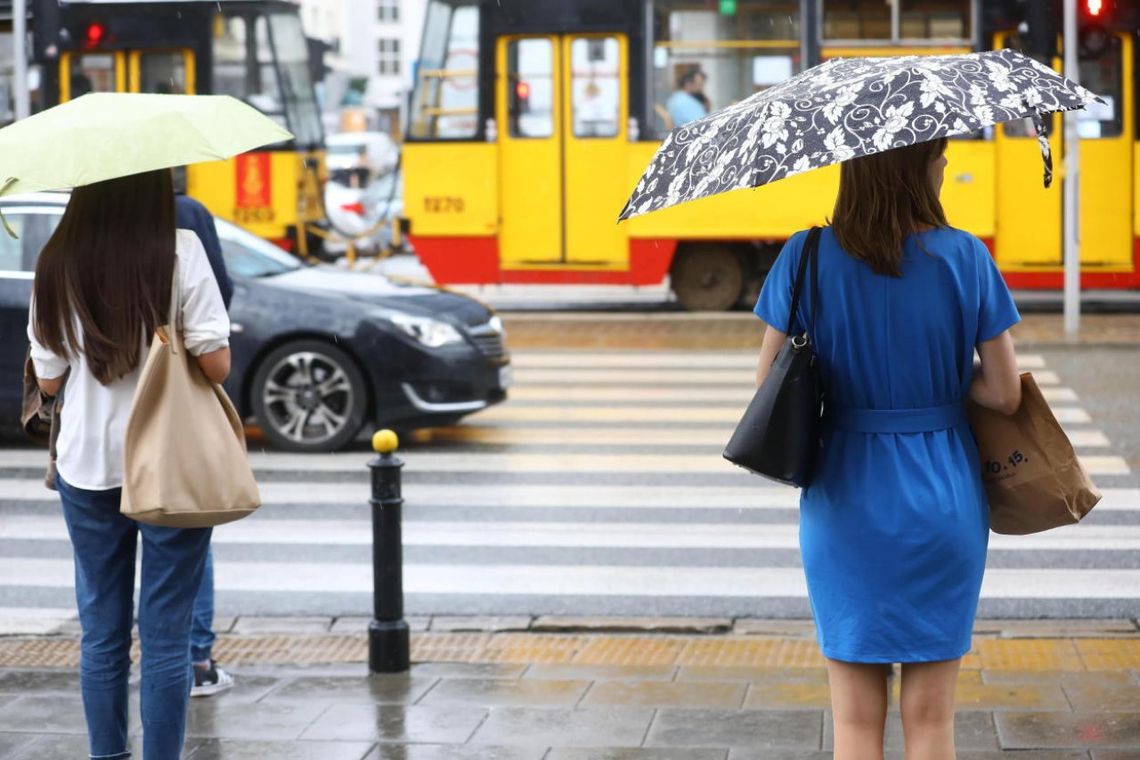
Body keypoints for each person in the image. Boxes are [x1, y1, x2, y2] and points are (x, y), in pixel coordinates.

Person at [752, 138, 1021, 760]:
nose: (947, 163)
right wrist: (942, 387)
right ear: (914, 168)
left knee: (852, 722)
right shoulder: (966, 257)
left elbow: (767, 383)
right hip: (942, 494)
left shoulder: (806, 255)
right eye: (940, 154)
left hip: (845, 493)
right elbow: (1005, 394)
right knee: (931, 721)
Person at [27, 169, 230, 759]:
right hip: (168, 464)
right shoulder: (180, 250)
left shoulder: (55, 260)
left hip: (86, 465)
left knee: (102, 633)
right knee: (168, 639)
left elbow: (48, 377)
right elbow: (215, 365)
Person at [175, 193, 236, 698]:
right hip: (172, 424)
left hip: (91, 450)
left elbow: (48, 379)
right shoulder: (185, 227)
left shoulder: (68, 245)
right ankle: (195, 661)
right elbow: (215, 355)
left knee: (102, 597)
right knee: (187, 539)